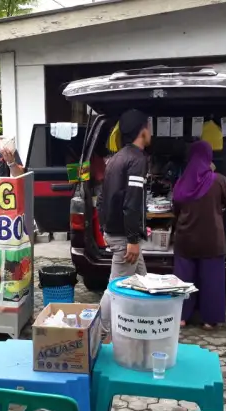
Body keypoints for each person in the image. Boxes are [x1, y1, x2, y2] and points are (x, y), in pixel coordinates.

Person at [172, 140, 226, 330]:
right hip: (212, 240)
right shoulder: (218, 180)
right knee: (212, 281)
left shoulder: (182, 181)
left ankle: (181, 318)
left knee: (183, 281)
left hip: (186, 239)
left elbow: (175, 207)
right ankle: (209, 320)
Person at [98, 109, 152, 332]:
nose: (151, 131)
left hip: (115, 232)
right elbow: (132, 202)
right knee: (115, 288)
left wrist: (103, 227)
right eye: (149, 126)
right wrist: (131, 239)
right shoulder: (137, 159)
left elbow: (102, 198)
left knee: (143, 281)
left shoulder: (116, 158)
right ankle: (96, 331)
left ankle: (140, 327)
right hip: (123, 237)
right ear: (142, 130)